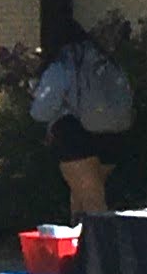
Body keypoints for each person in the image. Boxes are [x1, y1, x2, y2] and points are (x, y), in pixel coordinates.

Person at [30, 23, 135, 215]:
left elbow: (41, 111)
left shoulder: (63, 64)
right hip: (114, 137)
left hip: (75, 137)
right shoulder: (108, 62)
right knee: (83, 197)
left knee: (93, 204)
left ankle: (97, 244)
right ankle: (83, 242)